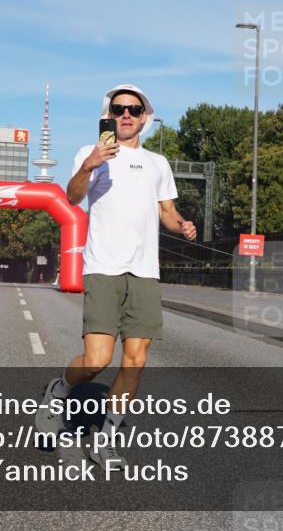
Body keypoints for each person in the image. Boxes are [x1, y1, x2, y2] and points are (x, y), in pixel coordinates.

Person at [35, 84, 196, 470]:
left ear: (144, 116)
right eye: (119, 108)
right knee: (97, 360)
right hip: (104, 267)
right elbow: (73, 197)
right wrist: (90, 164)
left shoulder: (157, 162)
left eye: (133, 109)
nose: (126, 114)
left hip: (144, 271)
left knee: (135, 361)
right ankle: (60, 389)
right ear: (109, 114)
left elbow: (166, 210)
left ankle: (104, 440)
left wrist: (182, 225)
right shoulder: (90, 155)